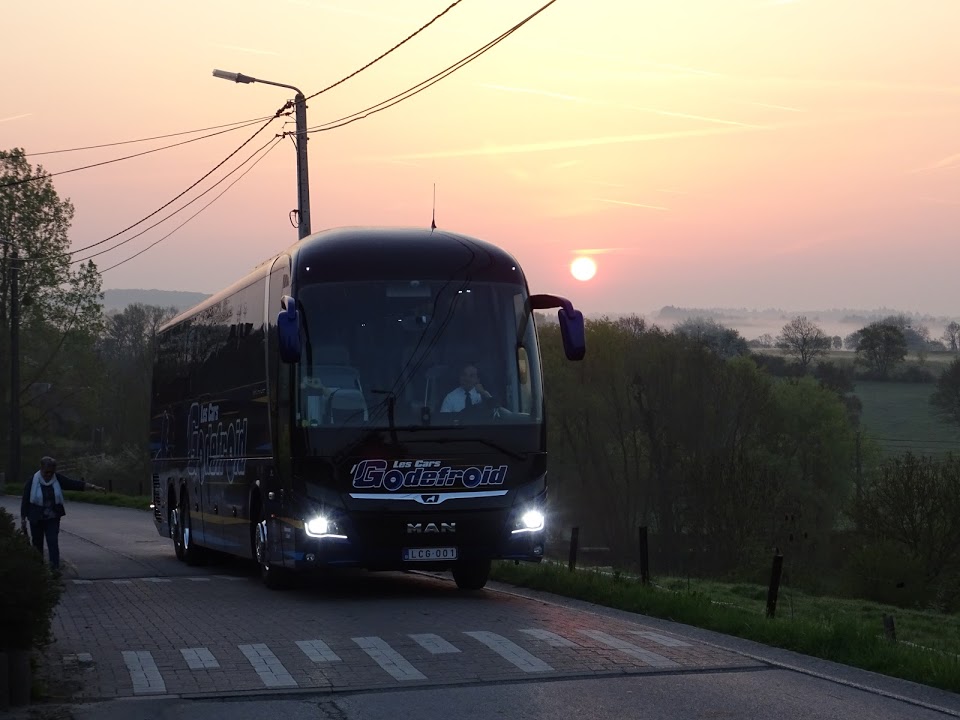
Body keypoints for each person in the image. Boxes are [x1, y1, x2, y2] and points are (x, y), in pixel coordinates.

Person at [20, 456, 105, 573]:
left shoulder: (57, 479)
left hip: (52, 518)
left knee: (53, 542)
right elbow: (25, 500)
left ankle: (54, 570)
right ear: (41, 469)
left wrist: (93, 487)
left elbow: (73, 484)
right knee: (37, 544)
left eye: (51, 472)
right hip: (36, 518)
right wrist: (23, 518)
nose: (49, 475)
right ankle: (38, 571)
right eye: (46, 472)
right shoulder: (32, 481)